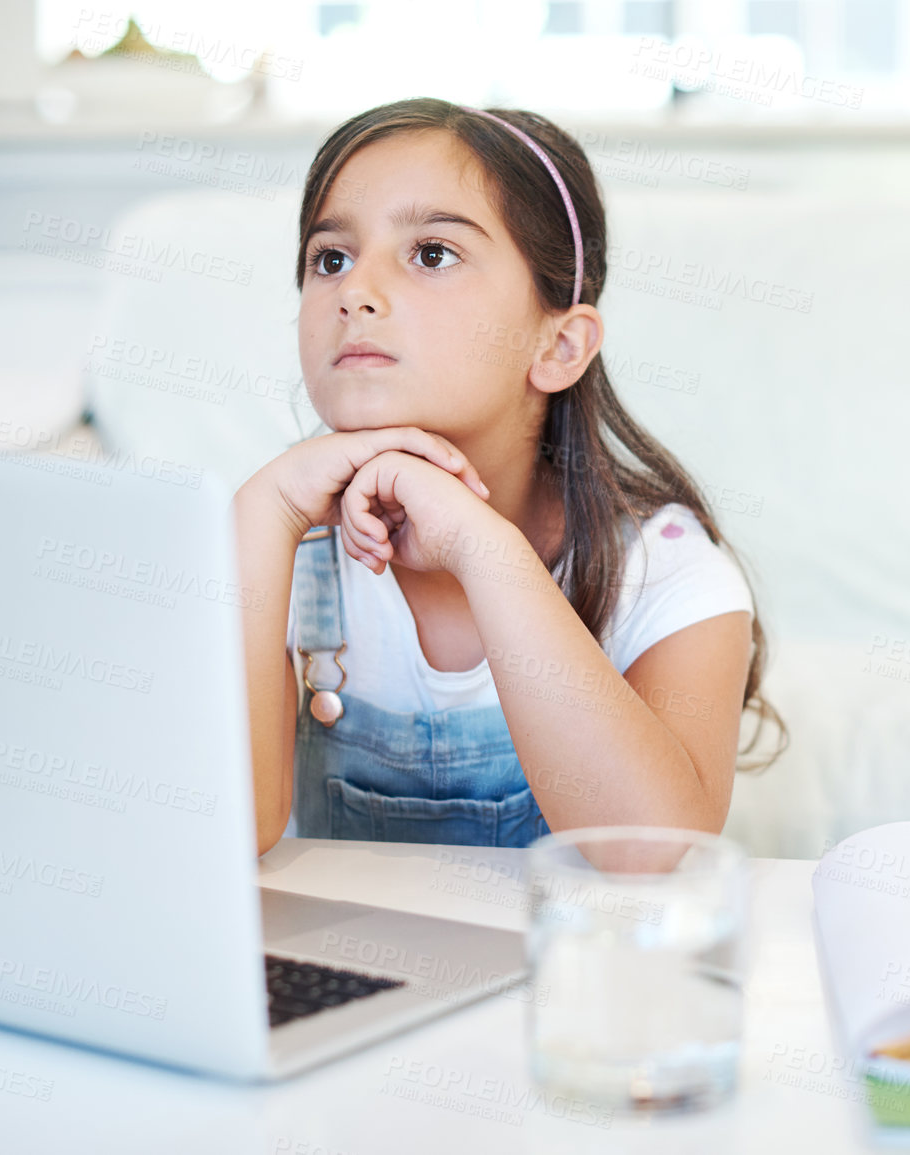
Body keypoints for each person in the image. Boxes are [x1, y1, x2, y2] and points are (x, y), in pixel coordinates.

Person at [232, 97, 786, 855]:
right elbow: (222, 834)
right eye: (330, 258)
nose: (353, 291)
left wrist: (477, 544)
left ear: (558, 346)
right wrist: (261, 510)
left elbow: (652, 851)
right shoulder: (265, 541)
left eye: (431, 253)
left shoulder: (667, 570)